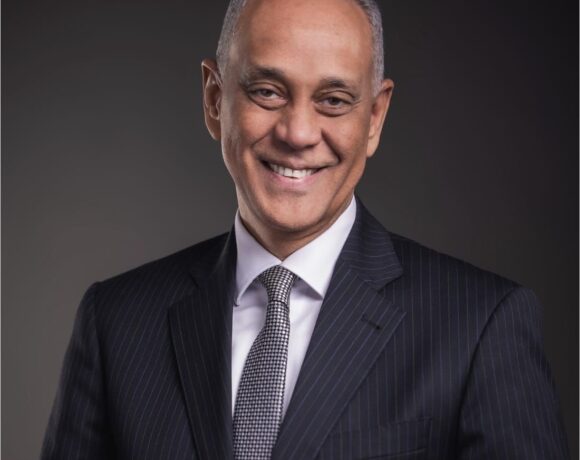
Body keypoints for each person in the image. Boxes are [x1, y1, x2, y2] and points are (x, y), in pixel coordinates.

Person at [41, 0, 570, 458]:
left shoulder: (479, 328)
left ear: (375, 118)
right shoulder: (116, 322)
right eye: (268, 91)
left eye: (333, 100)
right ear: (214, 99)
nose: (298, 133)